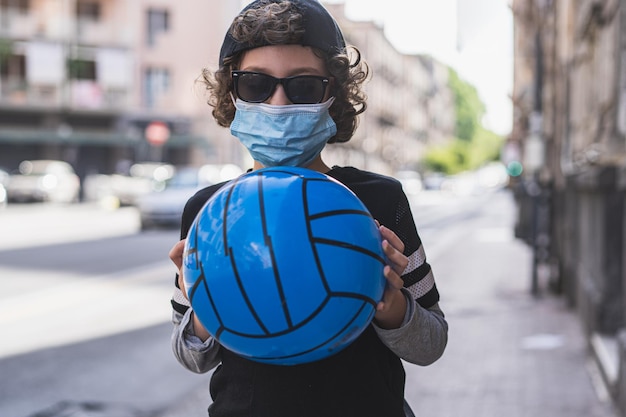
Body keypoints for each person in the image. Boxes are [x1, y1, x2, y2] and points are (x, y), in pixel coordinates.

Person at [168, 1, 448, 416]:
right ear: (232, 93)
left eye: (303, 87)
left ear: (332, 95)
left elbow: (432, 343)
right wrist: (207, 305)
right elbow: (191, 355)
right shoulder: (207, 211)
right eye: (255, 85)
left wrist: (391, 304)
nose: (278, 103)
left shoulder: (381, 201)